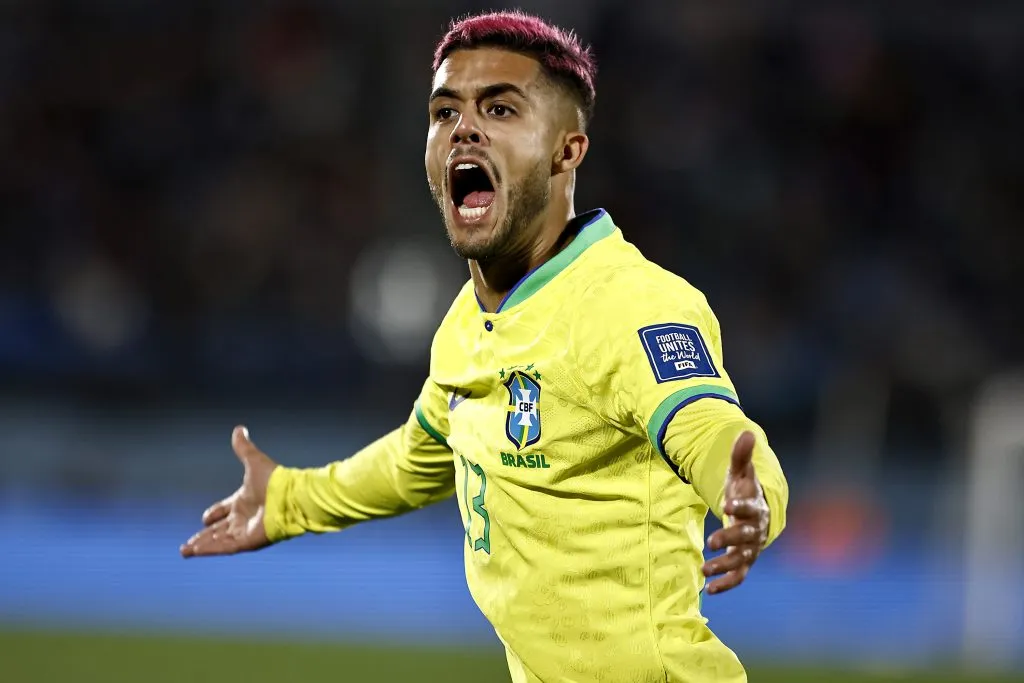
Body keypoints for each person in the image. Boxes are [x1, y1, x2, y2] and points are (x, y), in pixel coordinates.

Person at [180, 9, 788, 683]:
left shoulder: (628, 304)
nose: (463, 127)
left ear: (567, 151)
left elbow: (712, 429)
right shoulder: (466, 324)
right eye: (445, 113)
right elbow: (421, 457)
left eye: (500, 109)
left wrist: (752, 496)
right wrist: (289, 499)